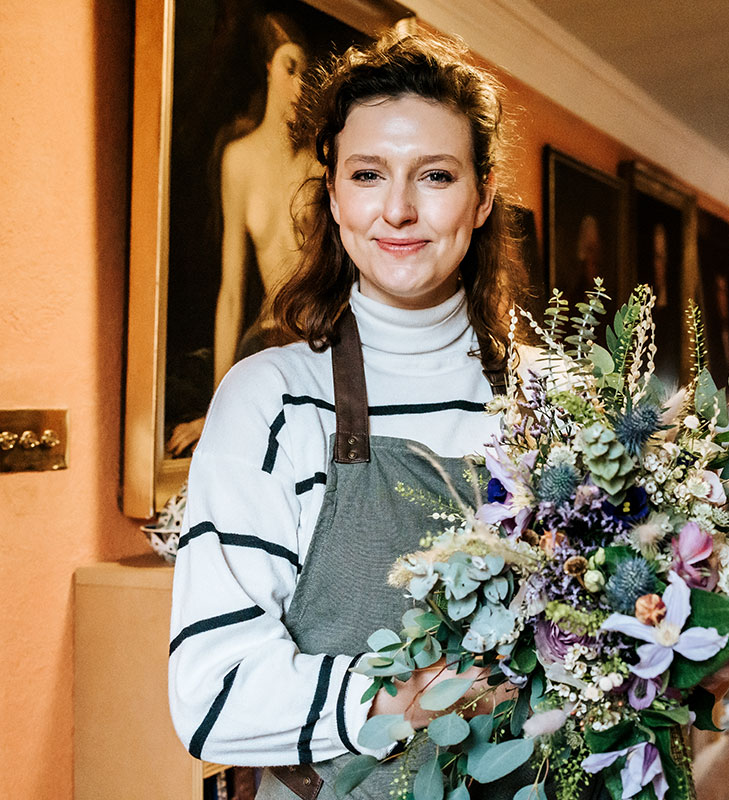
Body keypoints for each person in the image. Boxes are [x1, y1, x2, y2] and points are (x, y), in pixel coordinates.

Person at [168, 30, 526, 799]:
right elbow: (211, 692)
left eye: (435, 175)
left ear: (482, 195)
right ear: (334, 195)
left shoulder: (557, 400)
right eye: (368, 174)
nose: (398, 210)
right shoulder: (272, 400)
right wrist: (404, 701)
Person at [167, 13, 317, 457]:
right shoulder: (239, 159)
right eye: (290, 68)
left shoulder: (320, 163)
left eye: (306, 75)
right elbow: (231, 292)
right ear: (268, 67)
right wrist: (217, 406)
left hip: (322, 340)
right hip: (267, 341)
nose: (299, 85)